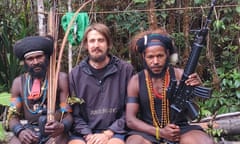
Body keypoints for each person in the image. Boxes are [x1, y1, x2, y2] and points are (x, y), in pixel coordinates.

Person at [125, 29, 215, 144]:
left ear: (167, 54)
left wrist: (194, 87)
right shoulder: (136, 81)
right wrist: (160, 132)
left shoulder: (180, 75)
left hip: (180, 129)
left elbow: (195, 108)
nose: (155, 61)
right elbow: (130, 120)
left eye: (160, 56)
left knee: (203, 142)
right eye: (150, 57)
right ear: (143, 57)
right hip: (149, 131)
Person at [68, 23, 135, 144]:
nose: (96, 45)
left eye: (101, 40)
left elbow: (130, 110)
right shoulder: (75, 75)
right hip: (84, 133)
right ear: (86, 45)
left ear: (108, 43)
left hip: (117, 131)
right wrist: (88, 135)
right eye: (92, 41)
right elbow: (74, 113)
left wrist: (109, 132)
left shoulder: (125, 70)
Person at [8, 36, 73, 144]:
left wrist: (62, 126)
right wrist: (20, 131)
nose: (35, 62)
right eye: (30, 59)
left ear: (46, 57)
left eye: (39, 57)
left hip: (54, 132)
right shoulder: (18, 83)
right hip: (30, 131)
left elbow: (67, 113)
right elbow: (12, 116)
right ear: (24, 62)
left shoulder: (60, 79)